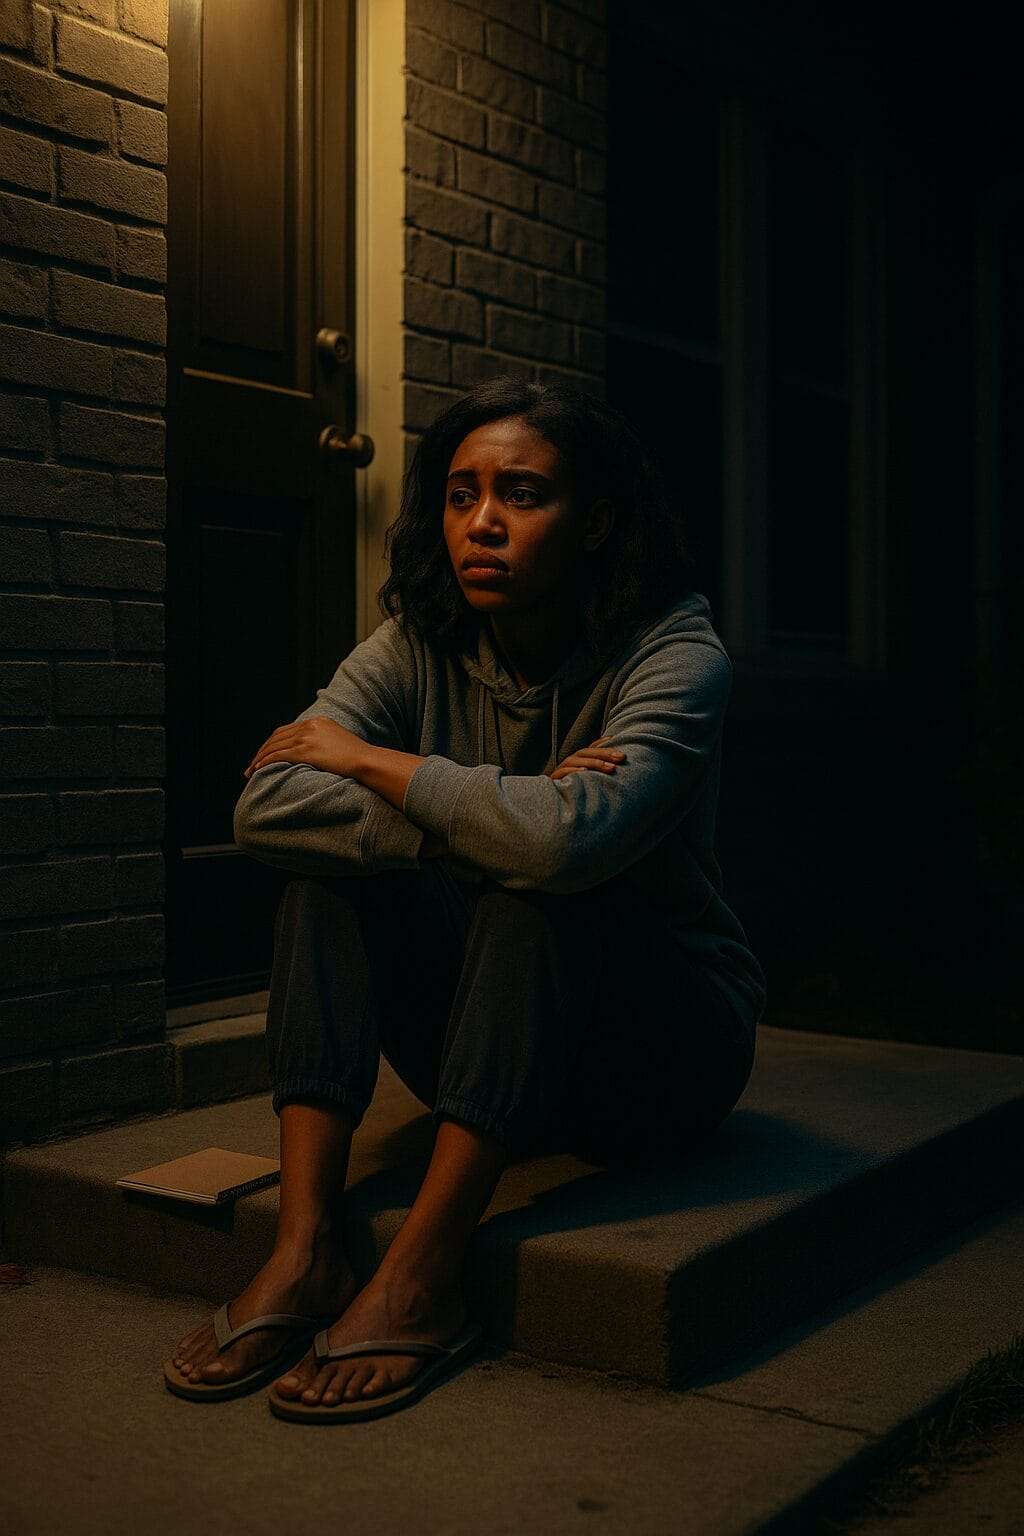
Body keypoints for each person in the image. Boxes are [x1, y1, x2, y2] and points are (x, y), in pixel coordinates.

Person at [164, 375, 767, 1422]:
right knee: (328, 880)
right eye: (458, 494)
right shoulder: (416, 643)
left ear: (595, 522)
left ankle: (419, 1276)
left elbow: (566, 855)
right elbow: (267, 802)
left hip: (661, 1054)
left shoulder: (675, 654)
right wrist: (503, 824)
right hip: (490, 1050)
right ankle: (304, 1249)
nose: (480, 523)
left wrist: (375, 765)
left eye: (523, 494)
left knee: (548, 894)